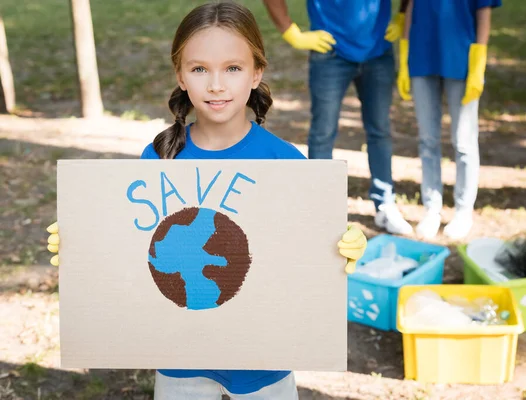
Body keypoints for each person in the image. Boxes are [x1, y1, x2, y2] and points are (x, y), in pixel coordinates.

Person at [46, 3, 367, 399]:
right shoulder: (159, 158)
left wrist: (339, 248)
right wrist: (86, 245)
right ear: (180, 76)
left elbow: (302, 261)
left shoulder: (284, 162)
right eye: (199, 69)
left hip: (263, 359)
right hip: (181, 359)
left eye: (232, 68)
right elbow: (135, 251)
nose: (216, 85)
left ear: (257, 73)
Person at [262, 0, 413, 235]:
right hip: (330, 54)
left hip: (378, 52)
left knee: (380, 130)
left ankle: (385, 204)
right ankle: (323, 209)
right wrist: (292, 33)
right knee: (323, 133)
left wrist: (402, 15)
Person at [398, 0, 502, 239]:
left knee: (464, 141)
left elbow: (483, 12)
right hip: (422, 56)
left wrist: (479, 57)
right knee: (427, 140)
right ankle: (431, 209)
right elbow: (410, 5)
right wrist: (405, 50)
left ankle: (464, 211)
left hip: (462, 57)